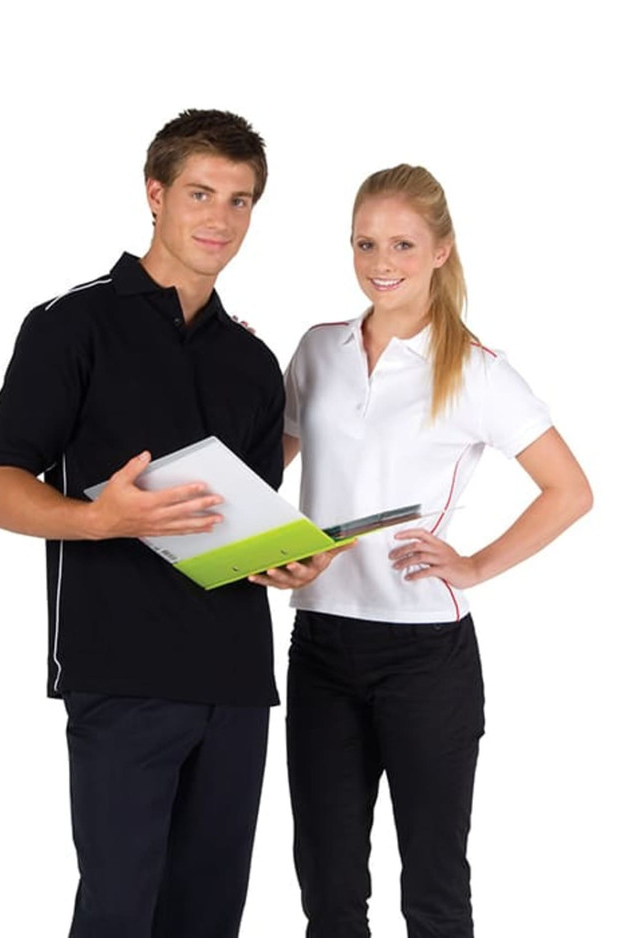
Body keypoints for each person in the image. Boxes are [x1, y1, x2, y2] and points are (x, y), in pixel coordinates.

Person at [0, 108, 331, 938]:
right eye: (202, 193)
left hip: (237, 683)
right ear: (155, 193)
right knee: (118, 913)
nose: (220, 219)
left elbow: (247, 519)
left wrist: (288, 560)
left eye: (241, 200)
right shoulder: (72, 324)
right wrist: (101, 520)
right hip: (122, 674)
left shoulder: (251, 361)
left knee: (208, 918)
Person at [249, 164, 593, 937]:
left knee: (434, 893)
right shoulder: (318, 349)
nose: (382, 261)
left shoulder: (474, 370)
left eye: (403, 243)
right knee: (329, 893)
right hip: (321, 646)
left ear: (441, 250)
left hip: (426, 658)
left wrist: (473, 566)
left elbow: (570, 491)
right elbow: (266, 470)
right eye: (365, 242)